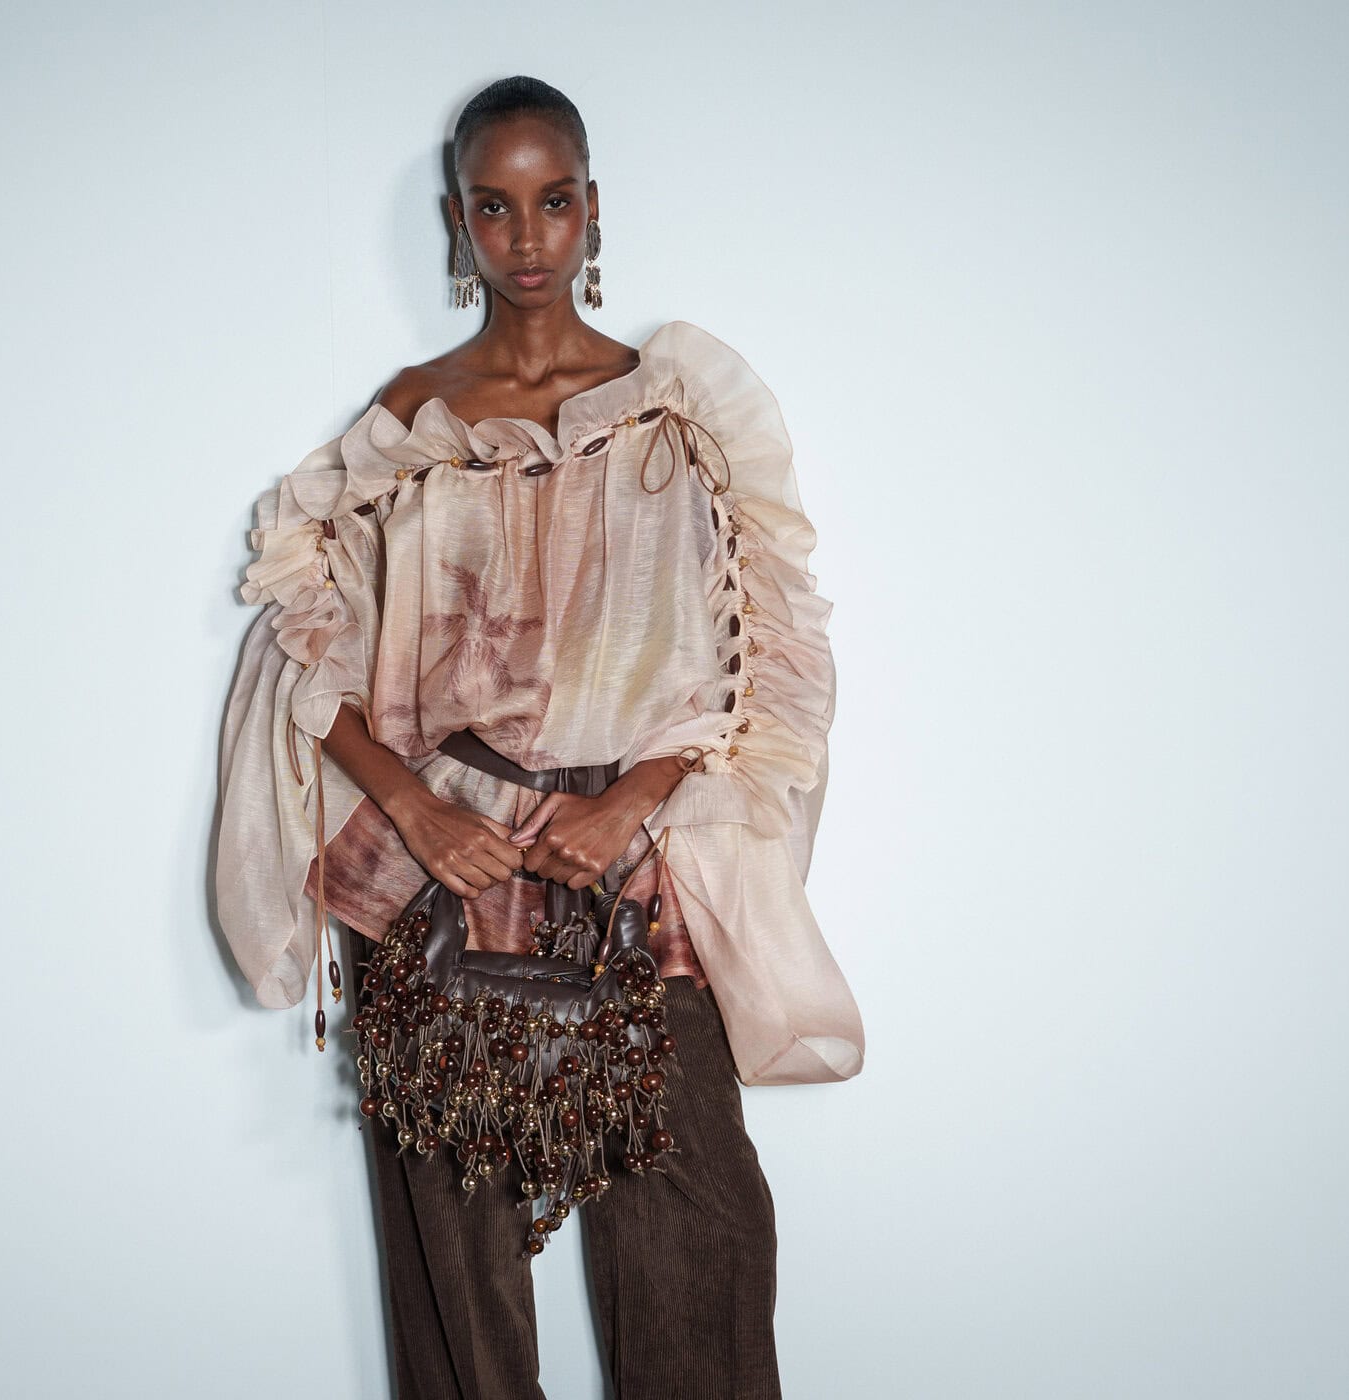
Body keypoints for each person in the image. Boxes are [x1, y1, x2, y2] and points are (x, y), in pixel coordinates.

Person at [213, 75, 864, 1400]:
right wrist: (416, 812)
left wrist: (638, 800)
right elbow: (308, 645)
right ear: (459, 222)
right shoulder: (410, 426)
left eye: (553, 201)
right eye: (496, 207)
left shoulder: (674, 420)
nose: (526, 236)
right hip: (435, 879)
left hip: (622, 868)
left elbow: (757, 658)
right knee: (456, 1283)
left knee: (701, 1235)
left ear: (593, 209)